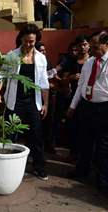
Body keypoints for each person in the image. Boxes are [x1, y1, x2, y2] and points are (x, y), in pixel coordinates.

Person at [0, 24, 49, 181]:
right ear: (21, 39)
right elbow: (1, 76)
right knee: (11, 133)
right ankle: (8, 167)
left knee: (36, 135)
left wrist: (45, 104)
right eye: (26, 41)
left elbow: (44, 84)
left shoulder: (41, 58)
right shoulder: (12, 55)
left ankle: (39, 167)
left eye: (32, 41)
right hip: (14, 101)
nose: (29, 44)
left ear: (36, 40)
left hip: (33, 102)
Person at [67, 31, 108, 195]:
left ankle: (102, 180)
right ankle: (81, 171)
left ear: (106, 44)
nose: (91, 48)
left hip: (104, 108)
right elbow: (81, 85)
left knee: (103, 146)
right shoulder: (89, 62)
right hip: (86, 106)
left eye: (96, 46)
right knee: (84, 141)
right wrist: (73, 106)